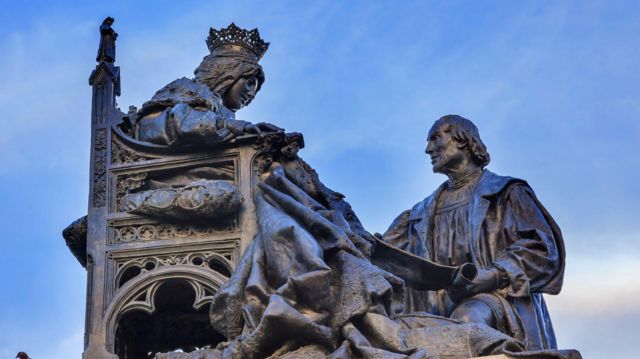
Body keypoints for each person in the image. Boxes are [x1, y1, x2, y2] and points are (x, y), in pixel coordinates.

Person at [382, 114, 565, 350]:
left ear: (462, 139)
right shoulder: (416, 215)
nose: (428, 149)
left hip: (499, 301)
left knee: (465, 323)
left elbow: (543, 250)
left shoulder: (507, 193)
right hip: (431, 310)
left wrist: (493, 275)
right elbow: (379, 255)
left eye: (436, 138)